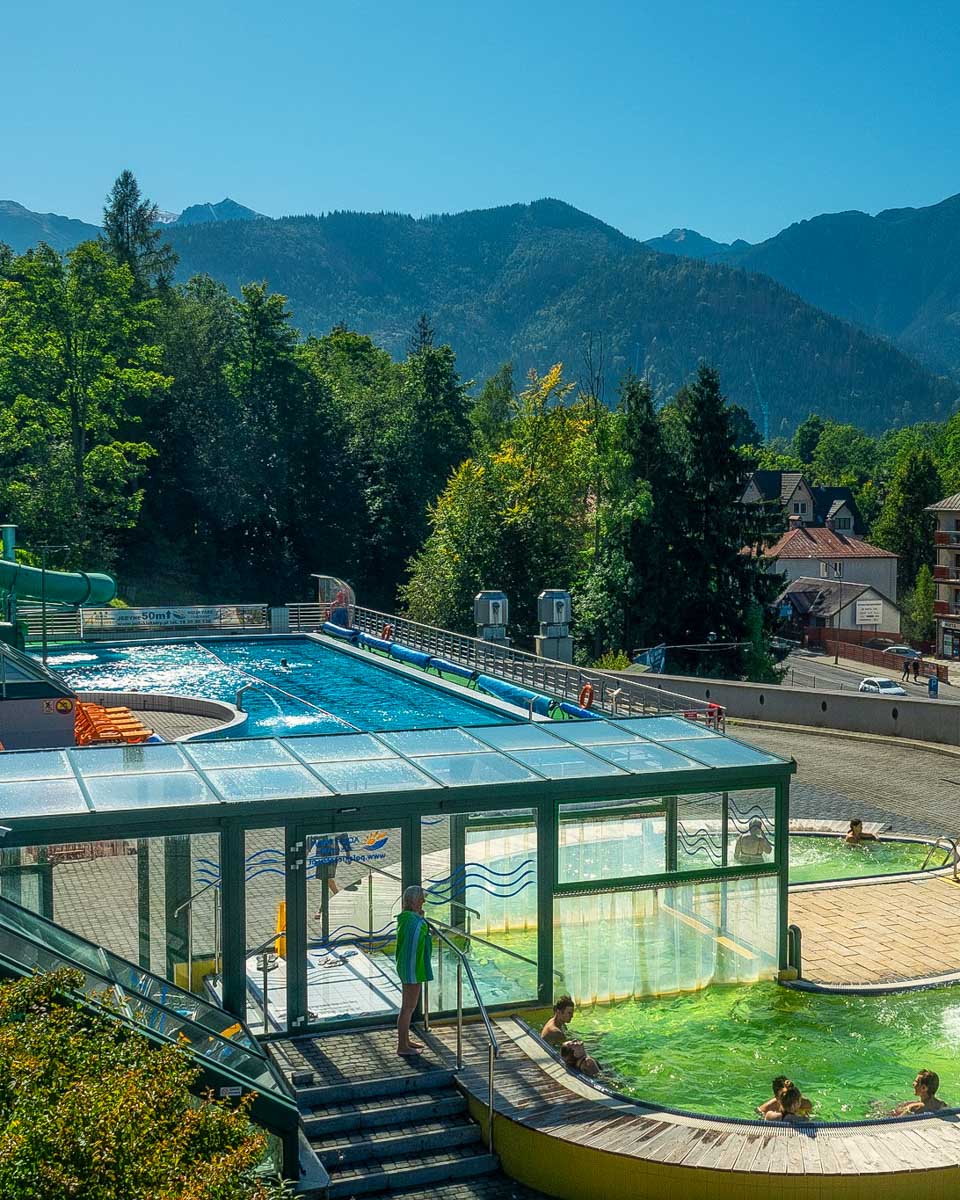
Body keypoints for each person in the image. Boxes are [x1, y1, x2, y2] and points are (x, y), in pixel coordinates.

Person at [395, 885, 433, 1057]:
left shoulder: (405, 918)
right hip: (412, 969)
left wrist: (421, 919)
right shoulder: (415, 922)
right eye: (421, 899)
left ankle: (405, 1041)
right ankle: (402, 1046)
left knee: (407, 1007)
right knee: (407, 1008)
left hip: (406, 967)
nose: (424, 902)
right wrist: (423, 920)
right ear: (415, 901)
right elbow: (421, 938)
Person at [313, 832, 352, 906]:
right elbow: (312, 837)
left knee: (327, 878)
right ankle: (337, 896)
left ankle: (323, 907)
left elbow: (344, 836)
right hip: (320, 853)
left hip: (332, 854)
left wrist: (348, 855)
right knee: (325, 878)